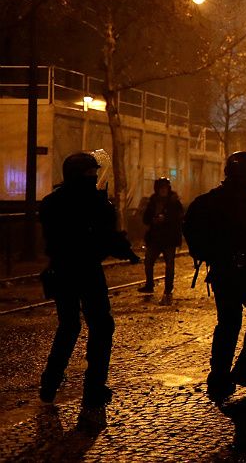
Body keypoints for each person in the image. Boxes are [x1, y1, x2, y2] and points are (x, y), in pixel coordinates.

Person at [38, 152, 140, 406]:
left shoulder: (52, 202)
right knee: (101, 327)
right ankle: (94, 386)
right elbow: (105, 237)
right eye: (90, 173)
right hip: (87, 271)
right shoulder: (95, 202)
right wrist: (125, 250)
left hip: (61, 270)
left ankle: (49, 383)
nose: (94, 177)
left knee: (68, 326)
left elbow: (53, 237)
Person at [184, 151, 246, 400]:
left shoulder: (207, 201)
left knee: (228, 324)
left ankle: (219, 377)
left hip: (222, 273)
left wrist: (213, 255)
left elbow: (191, 230)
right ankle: (243, 369)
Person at [138, 177, 184, 302]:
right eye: (161, 188)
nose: (163, 190)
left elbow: (180, 217)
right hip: (155, 238)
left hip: (169, 238)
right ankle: (149, 285)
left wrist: (166, 219)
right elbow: (146, 218)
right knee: (148, 261)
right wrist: (153, 219)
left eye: (165, 188)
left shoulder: (174, 201)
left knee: (169, 265)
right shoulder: (153, 201)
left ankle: (168, 290)